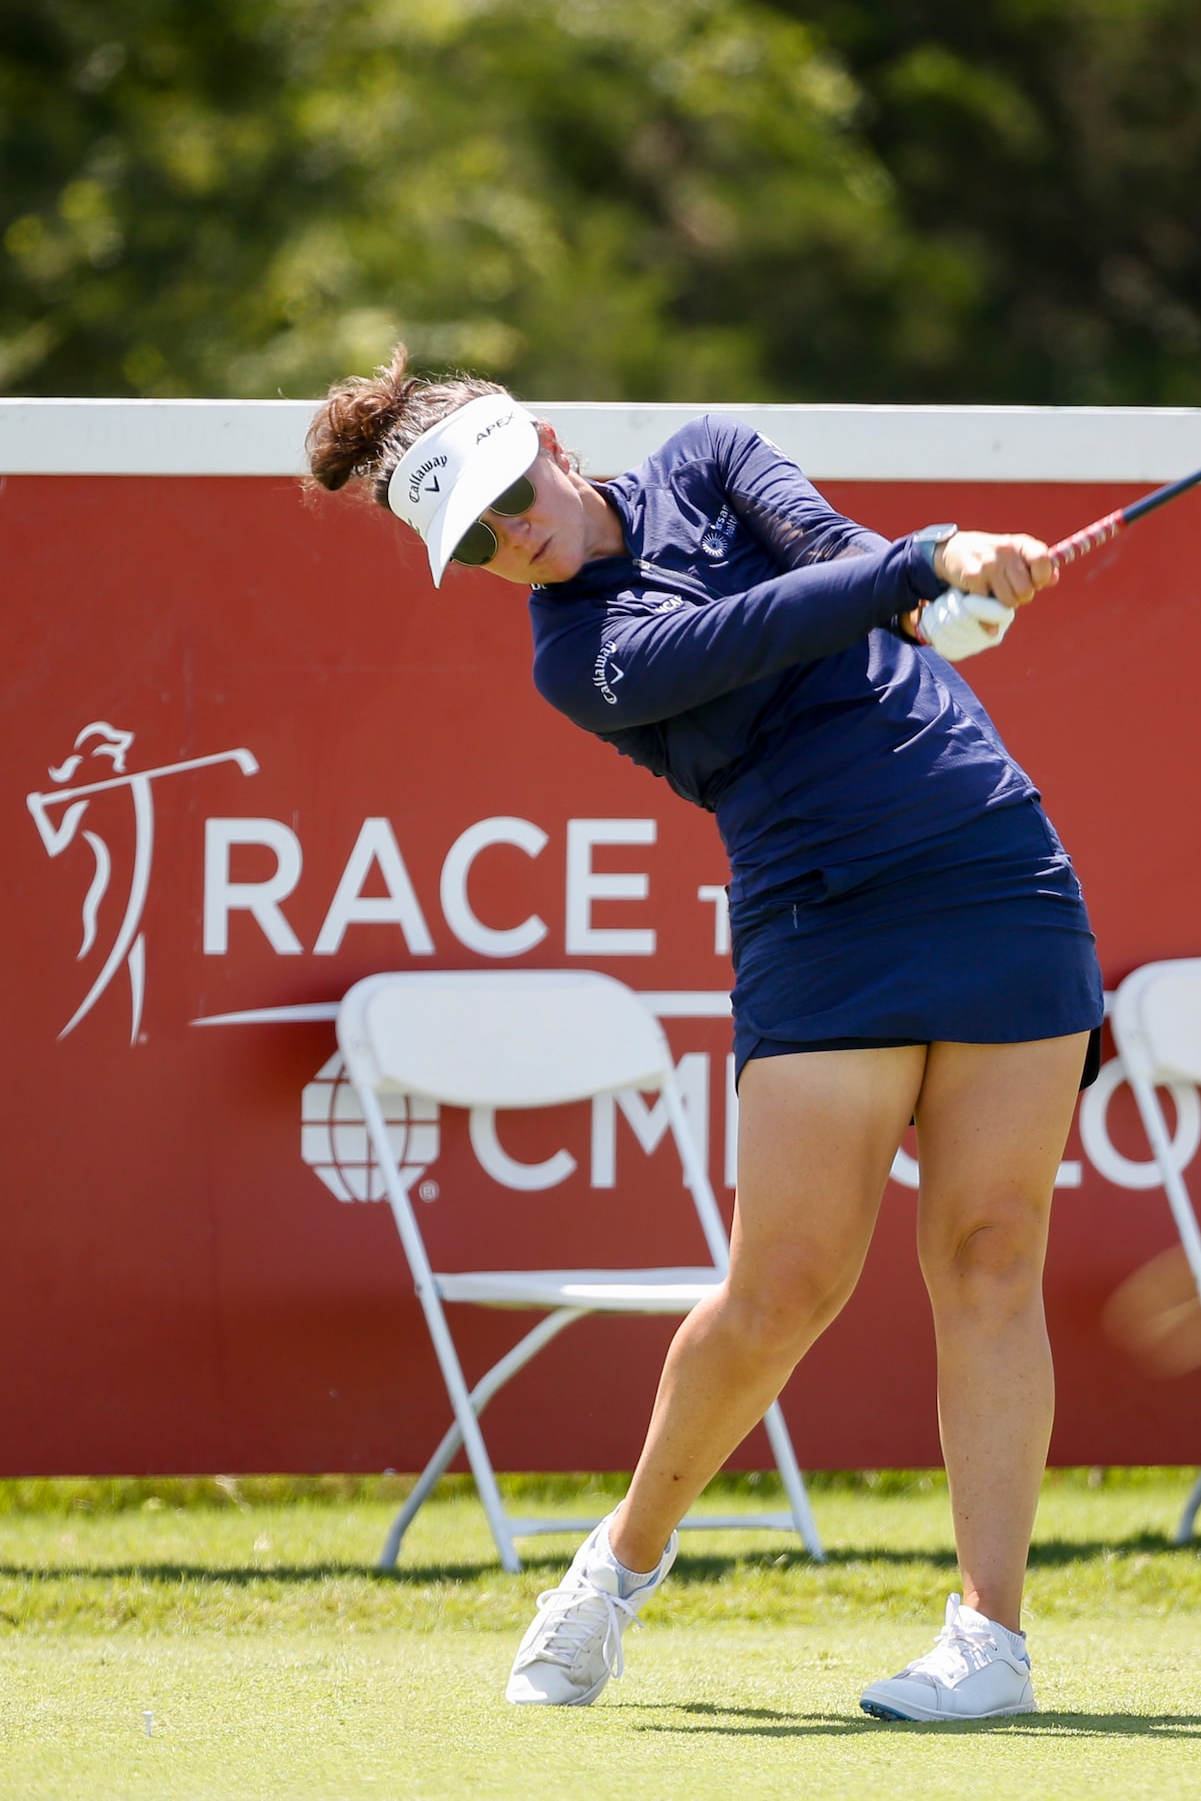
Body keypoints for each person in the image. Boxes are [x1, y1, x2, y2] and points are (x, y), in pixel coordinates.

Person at [306, 350, 1103, 1723]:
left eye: (513, 496)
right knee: (783, 1286)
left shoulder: (708, 457)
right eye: (476, 541)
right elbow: (775, 625)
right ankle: (617, 1566)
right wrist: (924, 562)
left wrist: (952, 588)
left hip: (989, 863)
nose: (515, 538)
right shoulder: (580, 656)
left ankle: (990, 1636)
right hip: (817, 916)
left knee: (991, 1249)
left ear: (548, 439)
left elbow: (838, 556)